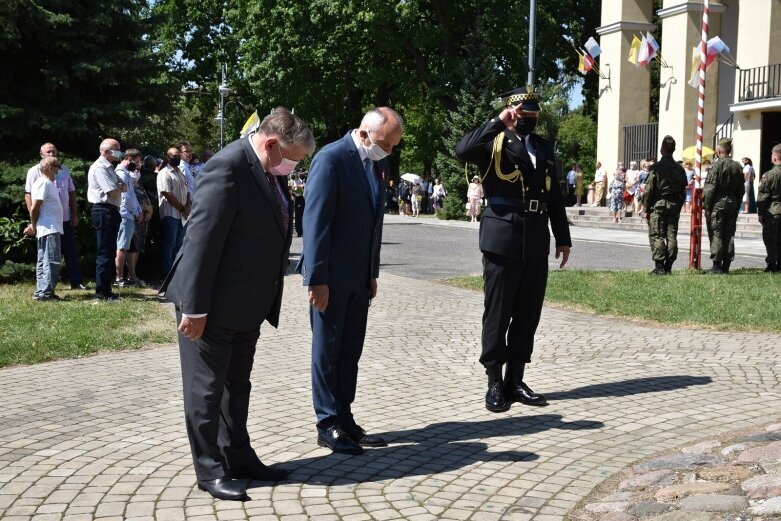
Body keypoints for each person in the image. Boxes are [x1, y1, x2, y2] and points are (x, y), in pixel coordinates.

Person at [160, 107, 315, 501]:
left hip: (247, 303)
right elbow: (200, 240)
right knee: (205, 389)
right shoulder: (227, 166)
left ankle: (239, 457)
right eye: (293, 159)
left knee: (237, 386)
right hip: (209, 304)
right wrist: (194, 307)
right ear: (272, 143)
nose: (293, 168)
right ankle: (209, 469)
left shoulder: (267, 168)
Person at [455, 85, 571, 413]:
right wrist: (498, 122)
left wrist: (562, 237)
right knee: (498, 311)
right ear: (512, 112)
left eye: (534, 114)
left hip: (535, 236)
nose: (529, 120)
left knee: (527, 312)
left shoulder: (543, 146)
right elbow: (462, 150)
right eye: (524, 114)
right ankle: (494, 381)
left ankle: (515, 379)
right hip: (501, 235)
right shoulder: (493, 141)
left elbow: (554, 197)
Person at [297, 106, 403, 455]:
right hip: (330, 278)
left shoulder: (376, 162)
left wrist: (372, 272)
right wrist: (316, 278)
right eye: (386, 143)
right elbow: (316, 222)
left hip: (359, 278)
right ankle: (327, 424)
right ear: (364, 134)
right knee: (327, 351)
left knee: (350, 351)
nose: (389, 151)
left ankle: (345, 417)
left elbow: (374, 222)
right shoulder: (331, 159)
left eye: (392, 146)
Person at [24, 143, 85, 290]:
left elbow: (71, 192)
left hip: (64, 218)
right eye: (48, 152)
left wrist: (74, 214)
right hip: (47, 221)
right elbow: (30, 196)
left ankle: (76, 281)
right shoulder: (35, 172)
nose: (51, 154)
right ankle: (45, 288)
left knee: (70, 250)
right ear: (41, 154)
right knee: (48, 256)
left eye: (53, 152)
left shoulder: (63, 170)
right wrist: (33, 220)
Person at [87, 138, 126, 301]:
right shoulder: (99, 168)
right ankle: (102, 293)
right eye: (116, 149)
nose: (119, 152)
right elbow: (113, 191)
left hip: (111, 210)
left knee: (110, 251)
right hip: (103, 210)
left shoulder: (110, 168)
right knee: (105, 252)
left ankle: (107, 290)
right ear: (106, 151)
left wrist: (120, 186)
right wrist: (119, 187)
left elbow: (123, 186)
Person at [643, 136, 688, 275]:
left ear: (662, 149)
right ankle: (668, 266)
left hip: (658, 205)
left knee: (657, 235)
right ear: (673, 149)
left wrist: (645, 208)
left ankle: (659, 267)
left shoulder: (656, 168)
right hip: (674, 205)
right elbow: (683, 191)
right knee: (671, 235)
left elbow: (649, 190)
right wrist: (678, 205)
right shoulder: (680, 169)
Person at [24, 157, 64, 301]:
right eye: (57, 167)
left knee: (44, 261)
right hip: (49, 228)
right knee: (51, 261)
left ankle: (42, 292)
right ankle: (46, 293)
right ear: (50, 168)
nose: (58, 171)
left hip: (48, 227)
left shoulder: (46, 183)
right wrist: (33, 225)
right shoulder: (44, 183)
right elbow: (35, 207)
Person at [703, 138, 745, 274]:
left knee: (716, 233)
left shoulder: (716, 166)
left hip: (718, 203)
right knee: (729, 234)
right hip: (732, 202)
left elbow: (710, 188)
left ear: (719, 150)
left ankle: (716, 265)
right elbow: (741, 189)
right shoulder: (737, 166)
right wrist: (737, 203)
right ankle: (726, 265)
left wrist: (707, 207)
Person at [157, 147, 190, 280]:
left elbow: (187, 191)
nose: (176, 158)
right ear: (167, 157)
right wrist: (182, 208)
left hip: (182, 215)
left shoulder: (180, 173)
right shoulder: (164, 173)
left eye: (177, 155)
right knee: (169, 245)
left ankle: (177, 274)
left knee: (179, 245)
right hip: (170, 214)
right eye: (173, 156)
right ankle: (167, 275)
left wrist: (187, 206)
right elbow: (167, 194)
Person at [114, 149, 143, 286]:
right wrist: (137, 212)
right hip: (125, 215)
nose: (137, 166)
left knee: (126, 247)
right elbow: (126, 198)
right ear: (129, 158)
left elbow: (132, 196)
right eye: (136, 162)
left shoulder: (127, 174)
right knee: (122, 246)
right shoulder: (121, 174)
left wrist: (139, 210)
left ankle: (125, 276)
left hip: (130, 215)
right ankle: (119, 278)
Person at [126, 160, 154, 286]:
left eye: (138, 170)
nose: (136, 172)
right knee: (131, 248)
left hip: (143, 223)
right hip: (134, 219)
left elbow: (148, 203)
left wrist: (149, 211)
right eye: (134, 169)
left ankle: (133, 275)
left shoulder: (140, 186)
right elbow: (131, 202)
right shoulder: (128, 185)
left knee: (137, 248)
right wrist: (145, 209)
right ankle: (131, 275)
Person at [757, 144, 781, 272]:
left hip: (773, 211)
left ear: (775, 157)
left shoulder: (769, 175)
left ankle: (772, 264)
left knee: (770, 238)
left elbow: (763, 196)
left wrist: (760, 212)